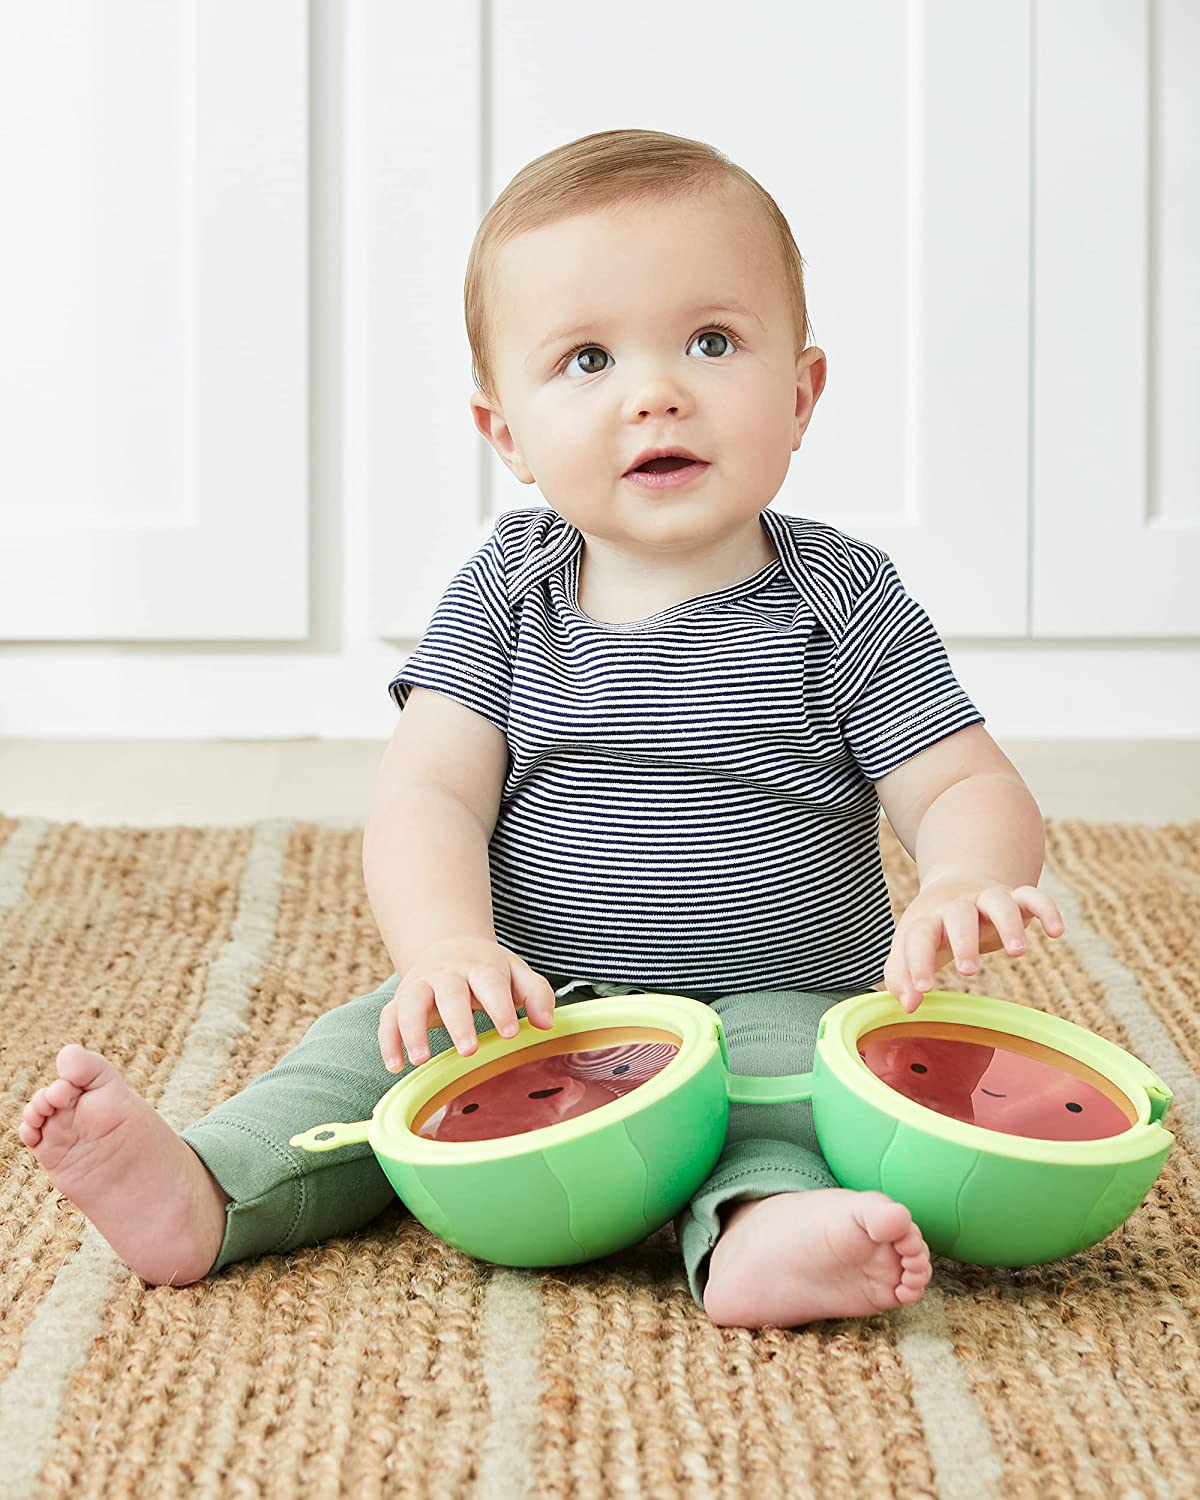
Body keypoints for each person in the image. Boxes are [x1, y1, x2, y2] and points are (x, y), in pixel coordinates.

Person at [19, 128, 1065, 1328]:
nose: (655, 390)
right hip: (534, 1001)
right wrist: (448, 950)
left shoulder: (841, 598)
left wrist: (965, 880)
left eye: (711, 343)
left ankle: (761, 1235)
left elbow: (961, 781)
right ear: (505, 431)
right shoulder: (511, 590)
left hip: (774, 1000)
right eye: (585, 358)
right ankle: (213, 1187)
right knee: (363, 1053)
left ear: (801, 392)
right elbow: (430, 797)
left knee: (800, 1097)